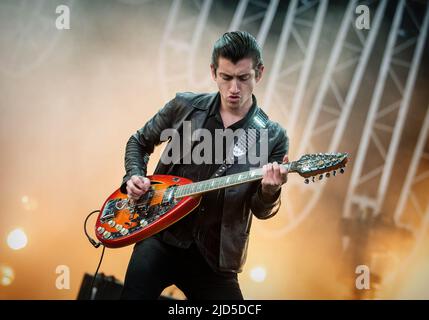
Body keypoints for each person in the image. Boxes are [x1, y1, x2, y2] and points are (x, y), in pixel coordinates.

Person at [120, 31, 289, 300]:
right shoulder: (184, 106)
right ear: (213, 72)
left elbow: (261, 210)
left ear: (259, 73)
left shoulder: (273, 136)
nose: (234, 88)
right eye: (226, 77)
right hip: (161, 236)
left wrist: (270, 191)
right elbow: (138, 141)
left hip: (216, 259)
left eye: (243, 78)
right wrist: (135, 175)